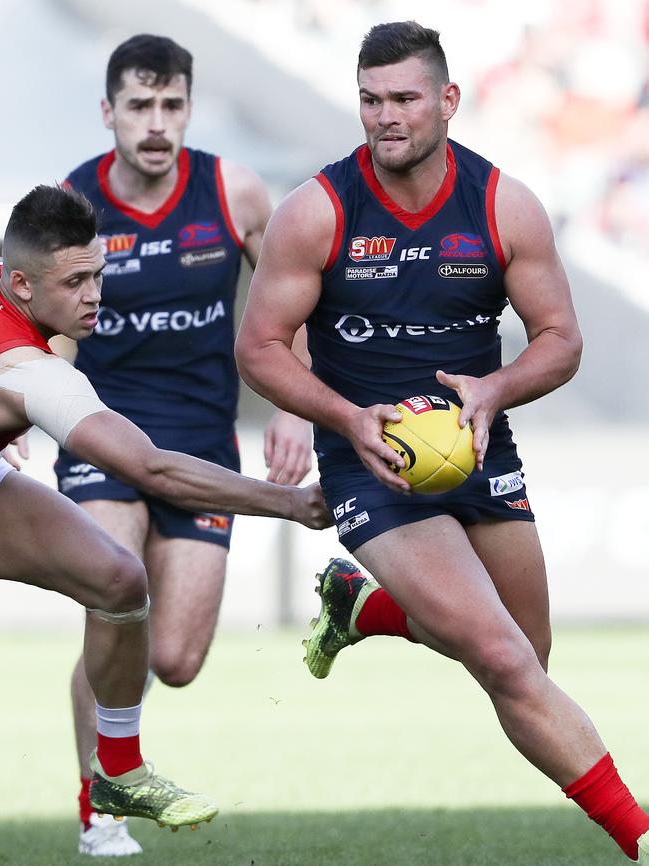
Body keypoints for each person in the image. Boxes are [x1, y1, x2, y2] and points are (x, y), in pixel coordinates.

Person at [235, 21, 649, 863]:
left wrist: (496, 389)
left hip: (477, 444)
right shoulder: (317, 210)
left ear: (449, 100)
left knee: (526, 653)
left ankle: (366, 606)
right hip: (370, 460)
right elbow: (259, 347)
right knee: (500, 655)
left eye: (403, 98)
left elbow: (562, 338)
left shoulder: (504, 205)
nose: (384, 116)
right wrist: (347, 419)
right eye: (370, 99)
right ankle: (638, 834)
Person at [48, 34, 313, 856]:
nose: (156, 125)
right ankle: (101, 807)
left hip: (201, 442)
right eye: (139, 107)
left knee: (177, 656)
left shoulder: (233, 191)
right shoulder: (72, 202)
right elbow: (46, 330)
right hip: (103, 432)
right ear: (109, 114)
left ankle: (120, 729)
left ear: (189, 111)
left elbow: (288, 302)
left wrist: (294, 408)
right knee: (114, 591)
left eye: (171, 107)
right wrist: (23, 416)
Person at [0, 184, 329, 842]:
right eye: (75, 282)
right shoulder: (35, 372)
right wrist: (290, 502)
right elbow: (150, 467)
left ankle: (117, 769)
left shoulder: (28, 349)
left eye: (98, 275)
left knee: (119, 580)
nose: (95, 295)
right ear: (20, 284)